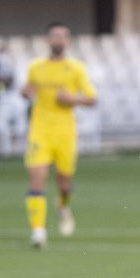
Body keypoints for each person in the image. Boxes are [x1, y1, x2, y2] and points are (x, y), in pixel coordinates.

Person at [21, 22, 97, 248]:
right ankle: (38, 231)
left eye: (63, 36)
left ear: (68, 41)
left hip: (65, 133)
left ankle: (63, 206)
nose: (59, 40)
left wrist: (72, 100)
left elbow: (92, 99)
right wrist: (25, 93)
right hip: (39, 131)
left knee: (64, 184)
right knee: (37, 178)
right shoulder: (36, 67)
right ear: (47, 40)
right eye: (55, 36)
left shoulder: (76, 69)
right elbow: (28, 89)